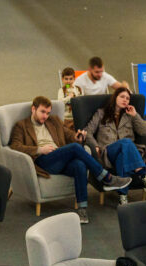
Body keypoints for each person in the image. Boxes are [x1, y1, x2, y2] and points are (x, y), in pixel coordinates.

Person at [7, 96, 132, 224]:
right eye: (42, 112)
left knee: (79, 164)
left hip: (60, 157)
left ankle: (82, 209)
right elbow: (15, 146)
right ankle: (107, 178)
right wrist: (40, 149)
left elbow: (68, 134)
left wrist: (77, 137)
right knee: (74, 148)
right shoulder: (21, 126)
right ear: (33, 109)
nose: (45, 116)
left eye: (48, 113)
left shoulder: (53, 121)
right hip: (43, 160)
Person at [81, 87, 146, 203]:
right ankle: (143, 176)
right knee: (126, 142)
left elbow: (145, 132)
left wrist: (135, 115)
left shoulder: (130, 115)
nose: (125, 100)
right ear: (115, 97)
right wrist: (95, 146)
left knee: (122, 156)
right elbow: (87, 131)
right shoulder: (101, 113)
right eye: (122, 97)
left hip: (127, 153)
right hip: (108, 152)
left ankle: (123, 196)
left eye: (127, 98)